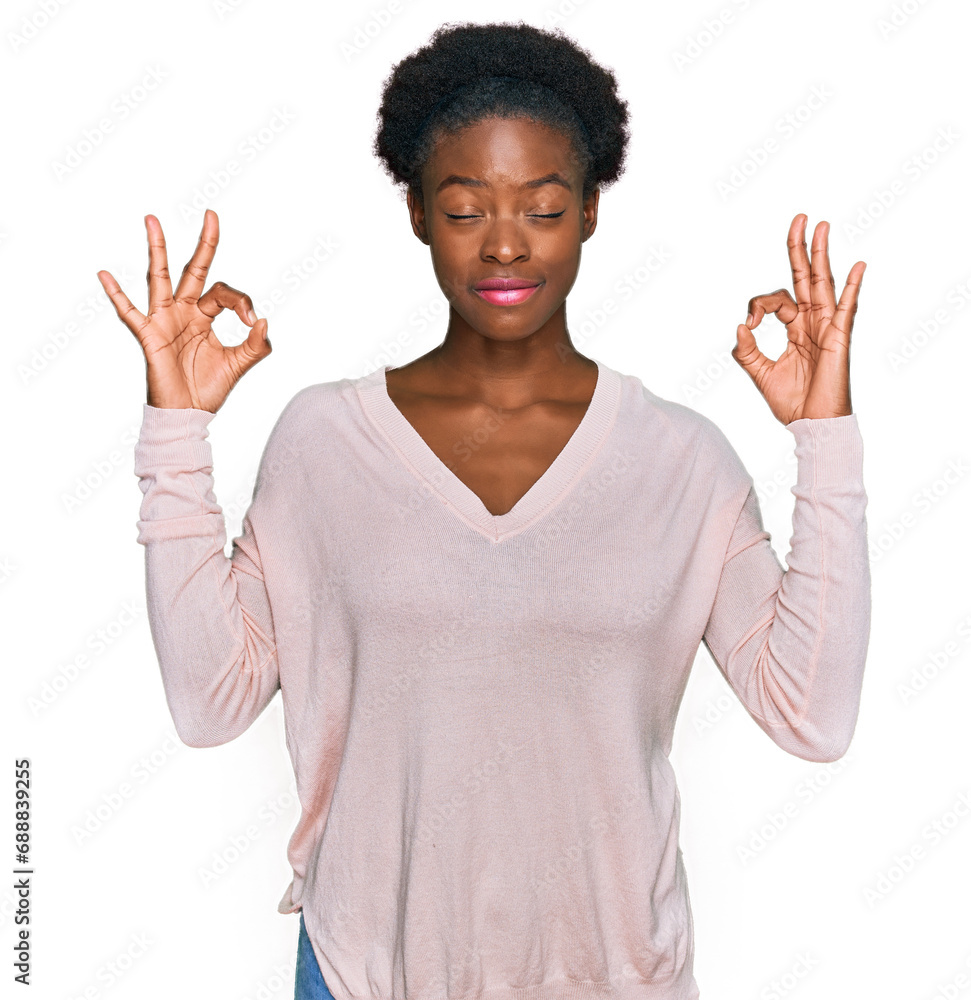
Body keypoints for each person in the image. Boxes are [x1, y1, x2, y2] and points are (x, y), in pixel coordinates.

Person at [97, 21, 871, 1000]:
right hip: (368, 974)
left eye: (542, 208)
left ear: (589, 211)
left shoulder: (680, 463)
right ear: (417, 213)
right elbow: (210, 702)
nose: (504, 243)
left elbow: (813, 711)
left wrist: (824, 435)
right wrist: (176, 426)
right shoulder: (323, 444)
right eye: (465, 209)